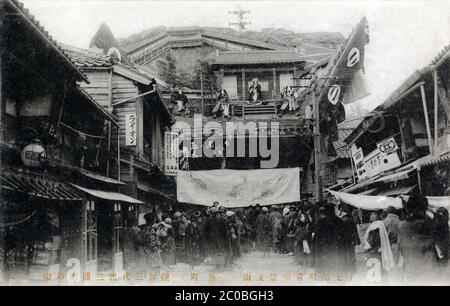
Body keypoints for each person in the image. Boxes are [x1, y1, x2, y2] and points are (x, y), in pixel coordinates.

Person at [398, 194, 437, 284]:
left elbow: (400, 246)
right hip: (426, 269)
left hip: (410, 267)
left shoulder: (402, 225)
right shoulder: (426, 223)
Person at [312, 202, 343, 274]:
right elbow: (341, 234)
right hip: (334, 246)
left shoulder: (321, 221)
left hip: (323, 246)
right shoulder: (338, 220)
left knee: (324, 265)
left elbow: (317, 235)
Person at [339, 204, 360, 273]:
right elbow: (355, 231)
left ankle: (348, 269)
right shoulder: (350, 220)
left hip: (345, 240)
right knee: (351, 254)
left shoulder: (344, 220)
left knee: (346, 255)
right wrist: (356, 240)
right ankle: (353, 269)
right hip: (350, 240)